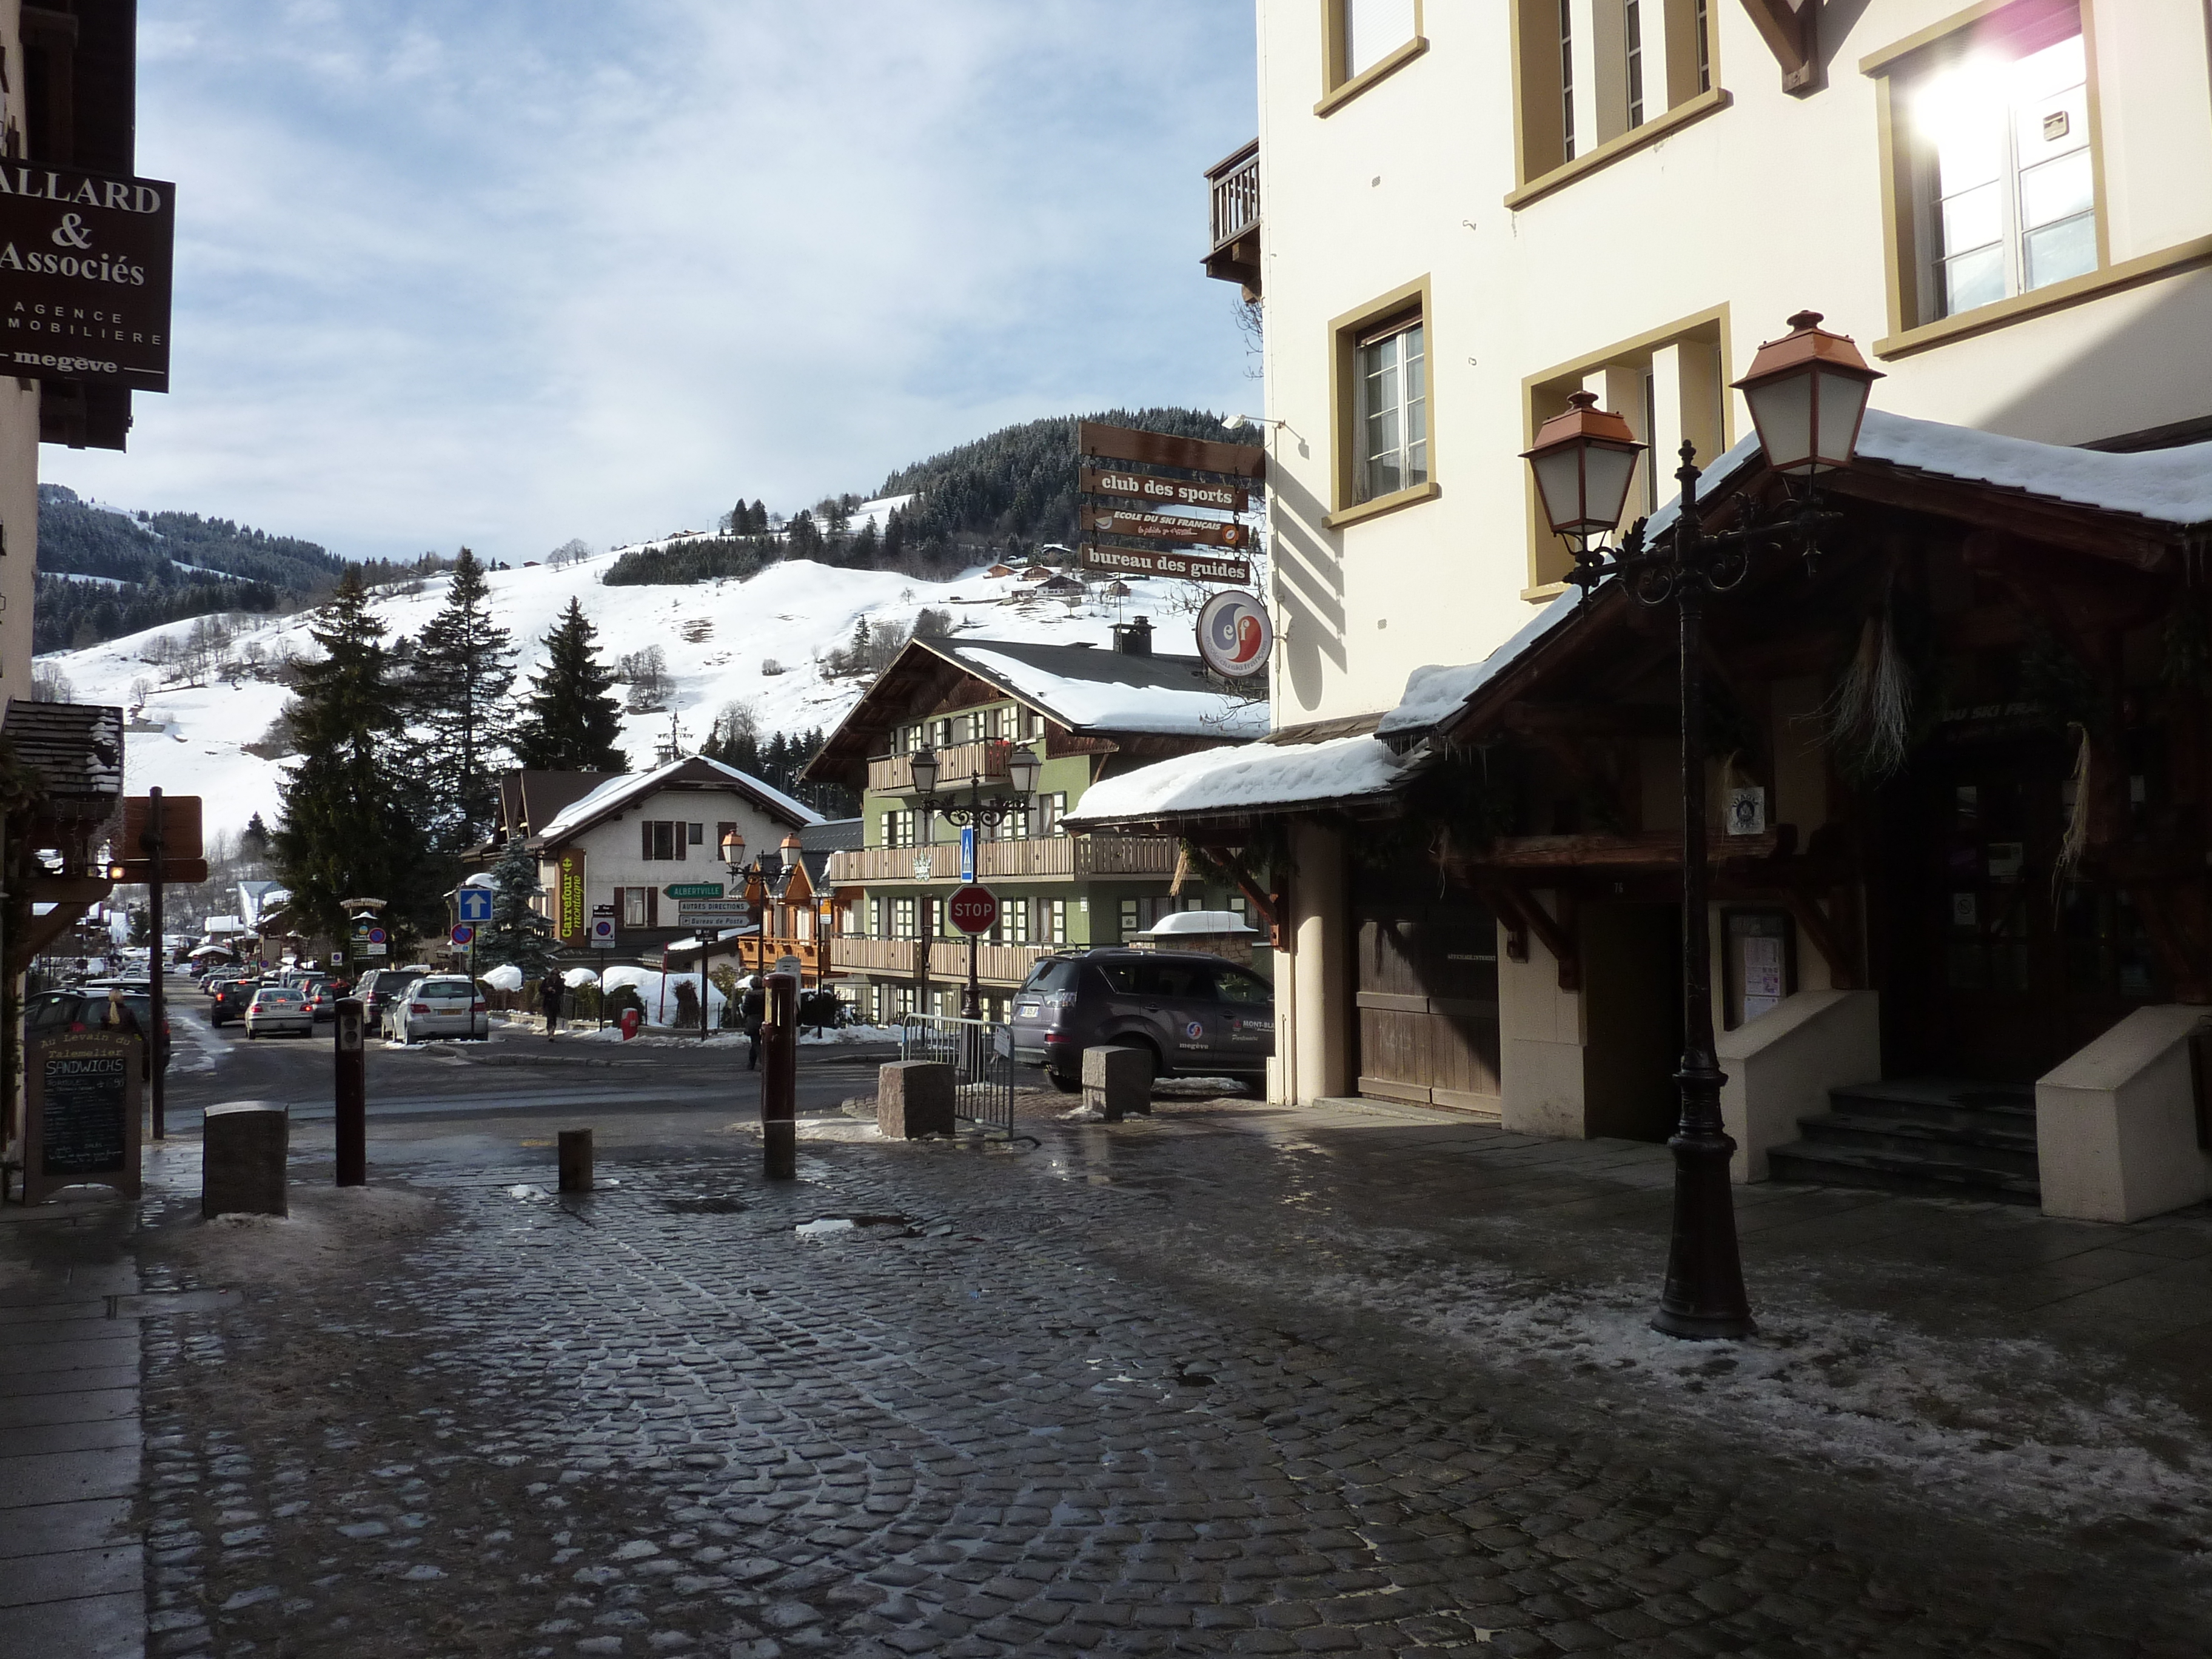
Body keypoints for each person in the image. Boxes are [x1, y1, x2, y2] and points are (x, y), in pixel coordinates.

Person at [740, 977, 765, 1070]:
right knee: (756, 1043)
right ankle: (751, 1063)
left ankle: (763, 1063)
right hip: (764, 1018)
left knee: (755, 1042)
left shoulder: (750, 995)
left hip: (753, 1020)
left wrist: (742, 1007)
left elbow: (746, 1009)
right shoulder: (766, 994)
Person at [539, 970, 565, 1041]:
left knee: (554, 1018)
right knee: (549, 1017)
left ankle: (552, 1031)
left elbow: (562, 990)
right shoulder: (547, 981)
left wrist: (556, 991)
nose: (555, 976)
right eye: (553, 974)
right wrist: (548, 989)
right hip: (547, 1002)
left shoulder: (560, 982)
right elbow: (541, 989)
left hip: (556, 1002)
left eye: (556, 974)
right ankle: (550, 1031)